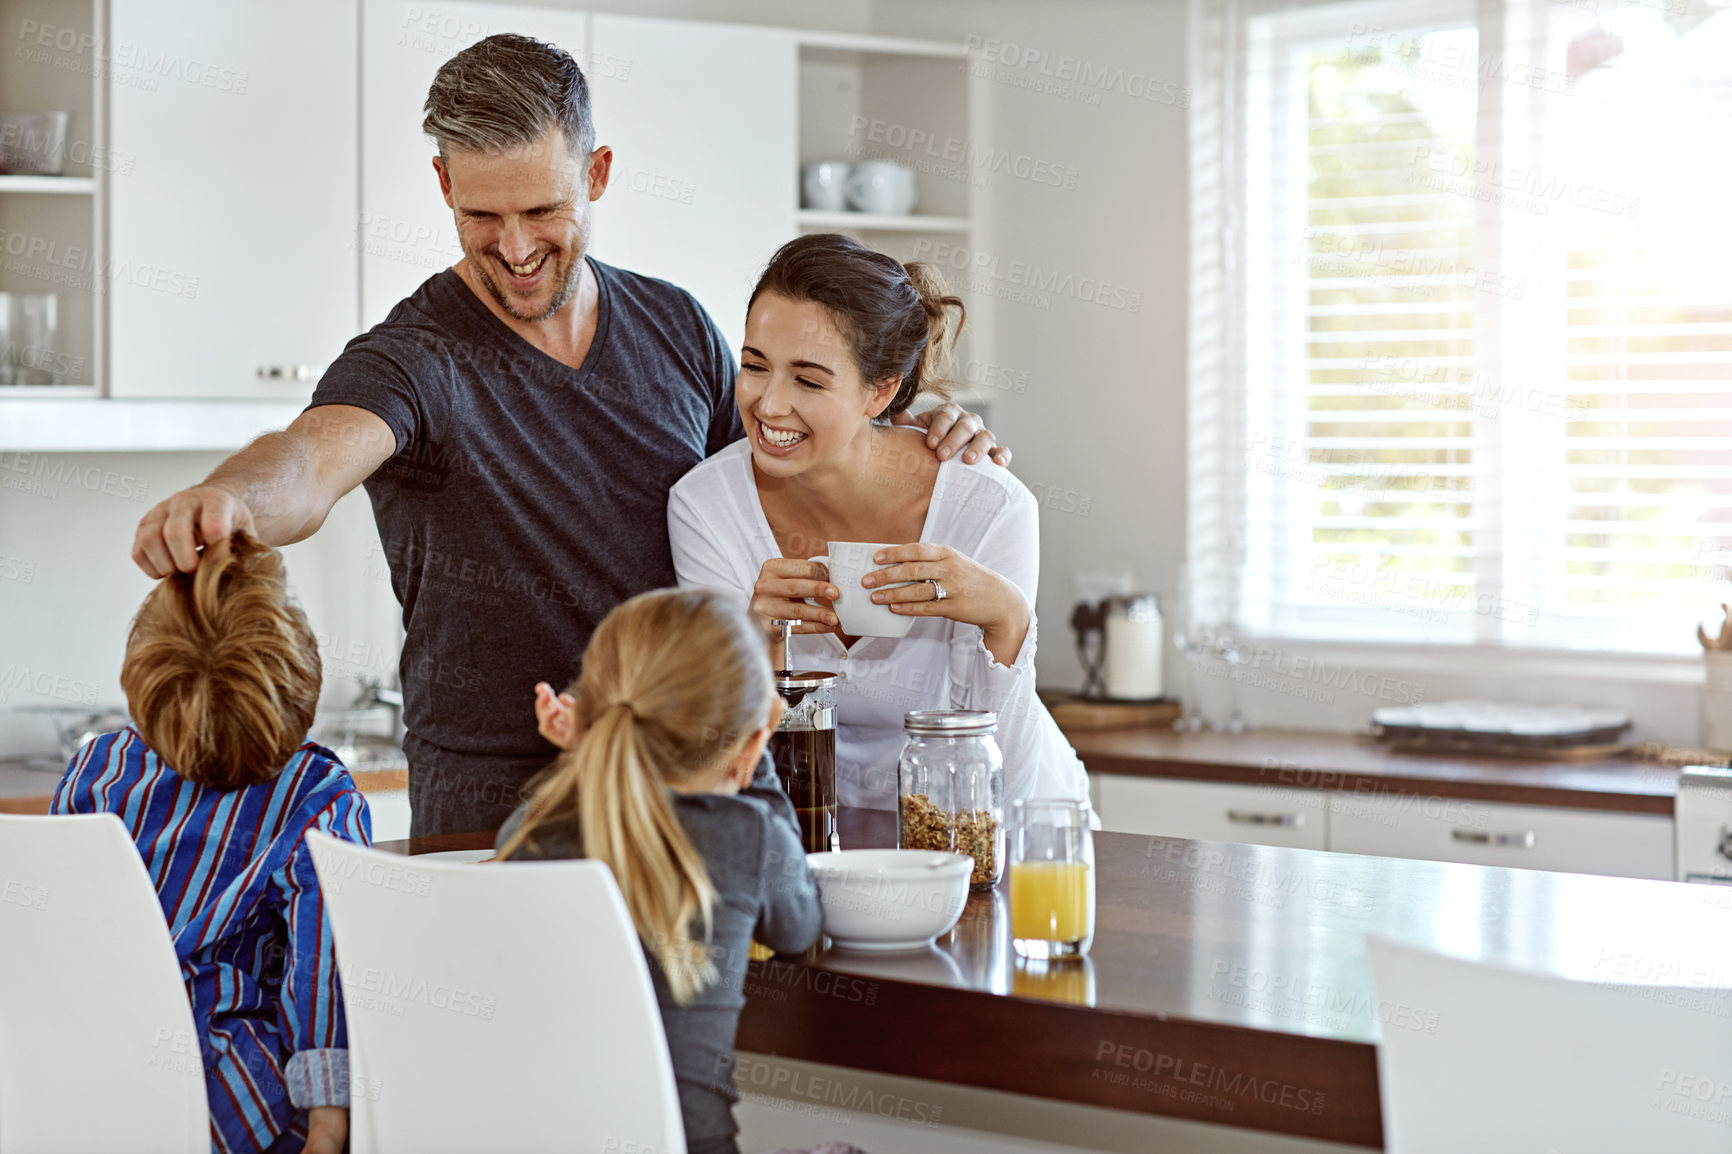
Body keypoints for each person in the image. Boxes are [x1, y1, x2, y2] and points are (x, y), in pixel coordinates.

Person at [129, 33, 1007, 839]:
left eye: (542, 209)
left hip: (676, 783)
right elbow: (312, 459)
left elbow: (774, 483)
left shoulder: (676, 327)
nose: (513, 248)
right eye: (481, 216)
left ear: (599, 173)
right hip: (493, 805)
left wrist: (900, 431)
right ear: (443, 185)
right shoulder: (413, 358)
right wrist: (232, 499)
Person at [668, 233, 1090, 813]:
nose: (768, 405)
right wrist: (752, 643)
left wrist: (1007, 617)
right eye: (755, 366)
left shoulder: (988, 507)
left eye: (809, 380)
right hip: (821, 842)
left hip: (1017, 835)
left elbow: (1002, 792)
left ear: (881, 390)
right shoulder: (706, 507)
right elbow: (723, 783)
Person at [52, 532, 368, 1154]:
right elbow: (323, 967)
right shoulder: (318, 794)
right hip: (229, 1099)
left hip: (90, 1083)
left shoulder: (100, 769)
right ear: (299, 674)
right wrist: (328, 1131)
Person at [494, 587, 824, 1154]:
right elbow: (801, 929)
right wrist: (758, 758)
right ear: (746, 743)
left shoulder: (527, 830)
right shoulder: (748, 836)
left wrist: (584, 755)